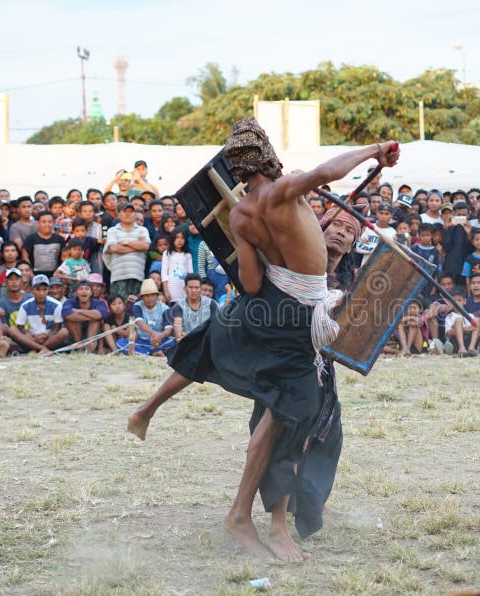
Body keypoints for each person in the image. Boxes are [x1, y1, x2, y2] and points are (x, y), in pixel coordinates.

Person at [128, 118, 394, 562]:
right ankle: (265, 523)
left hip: (266, 303)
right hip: (294, 318)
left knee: (215, 339)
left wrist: (279, 257)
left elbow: (250, 283)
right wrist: (373, 149)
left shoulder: (240, 213)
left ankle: (146, 410)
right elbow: (328, 172)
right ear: (269, 156)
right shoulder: (283, 189)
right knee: (291, 415)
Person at [10, 274, 69, 355]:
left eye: (44, 290)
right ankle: (42, 349)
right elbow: (20, 327)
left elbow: (57, 328)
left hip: (49, 338)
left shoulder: (56, 305)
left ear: (48, 290)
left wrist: (47, 335)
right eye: (38, 290)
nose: (41, 293)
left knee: (64, 332)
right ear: (32, 290)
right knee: (12, 329)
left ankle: (36, 350)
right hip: (32, 338)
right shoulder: (25, 305)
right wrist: (29, 334)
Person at [103, 203, 150, 300]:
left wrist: (125, 242)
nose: (128, 214)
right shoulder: (113, 230)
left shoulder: (142, 230)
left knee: (135, 307)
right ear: (119, 214)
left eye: (131, 212)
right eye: (125, 211)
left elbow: (145, 245)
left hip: (137, 275)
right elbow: (114, 248)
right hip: (118, 277)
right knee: (119, 307)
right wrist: (136, 246)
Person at [61, 281, 108, 352]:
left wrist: (80, 311)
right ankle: (80, 347)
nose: (84, 291)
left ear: (91, 292)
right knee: (73, 320)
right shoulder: (70, 302)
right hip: (74, 335)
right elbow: (66, 314)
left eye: (87, 289)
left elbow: (101, 314)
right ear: (76, 293)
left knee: (96, 321)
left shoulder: (98, 302)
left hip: (93, 333)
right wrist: (91, 316)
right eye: (80, 289)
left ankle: (90, 345)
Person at [168, 274, 217, 340]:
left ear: (200, 289)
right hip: (187, 344)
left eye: (197, 287)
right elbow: (178, 333)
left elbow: (216, 327)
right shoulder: (179, 306)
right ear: (185, 289)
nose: (194, 290)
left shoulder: (211, 303)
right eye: (190, 287)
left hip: (206, 342)